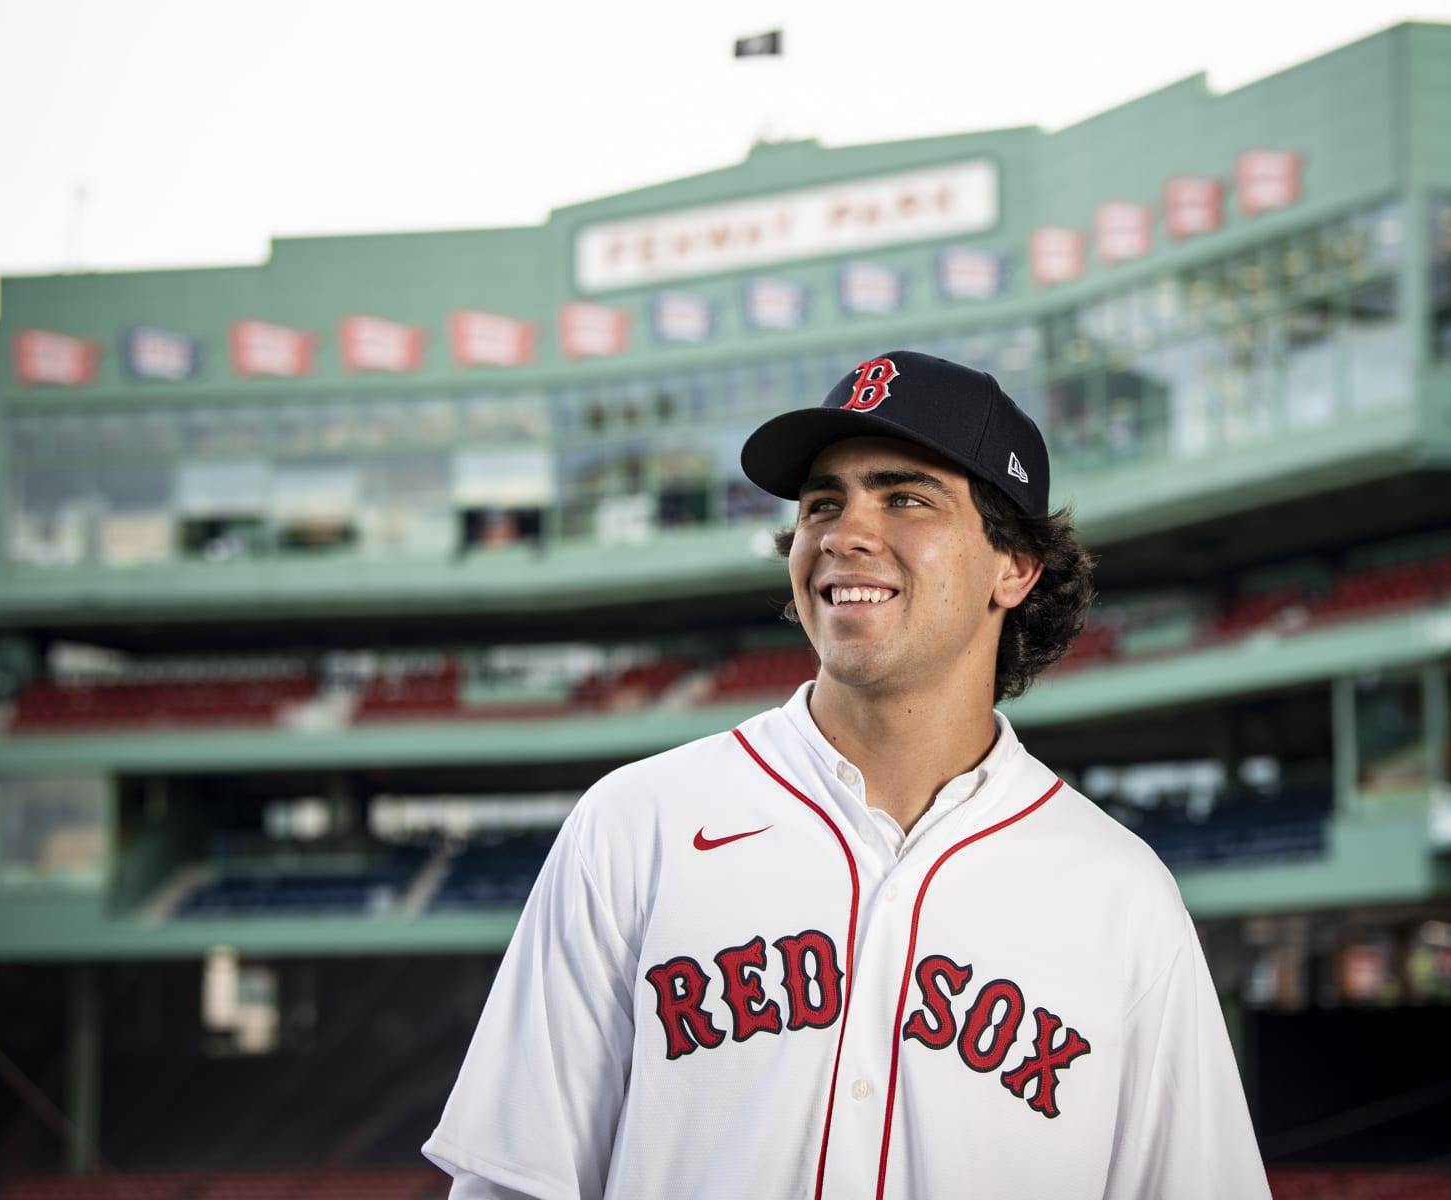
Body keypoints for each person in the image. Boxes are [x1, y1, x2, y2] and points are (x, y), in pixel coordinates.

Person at [423, 351, 1270, 1199]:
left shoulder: (1120, 895)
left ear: (1014, 566)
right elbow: (516, 1183)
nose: (841, 532)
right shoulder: (637, 824)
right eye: (823, 502)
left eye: (905, 498)